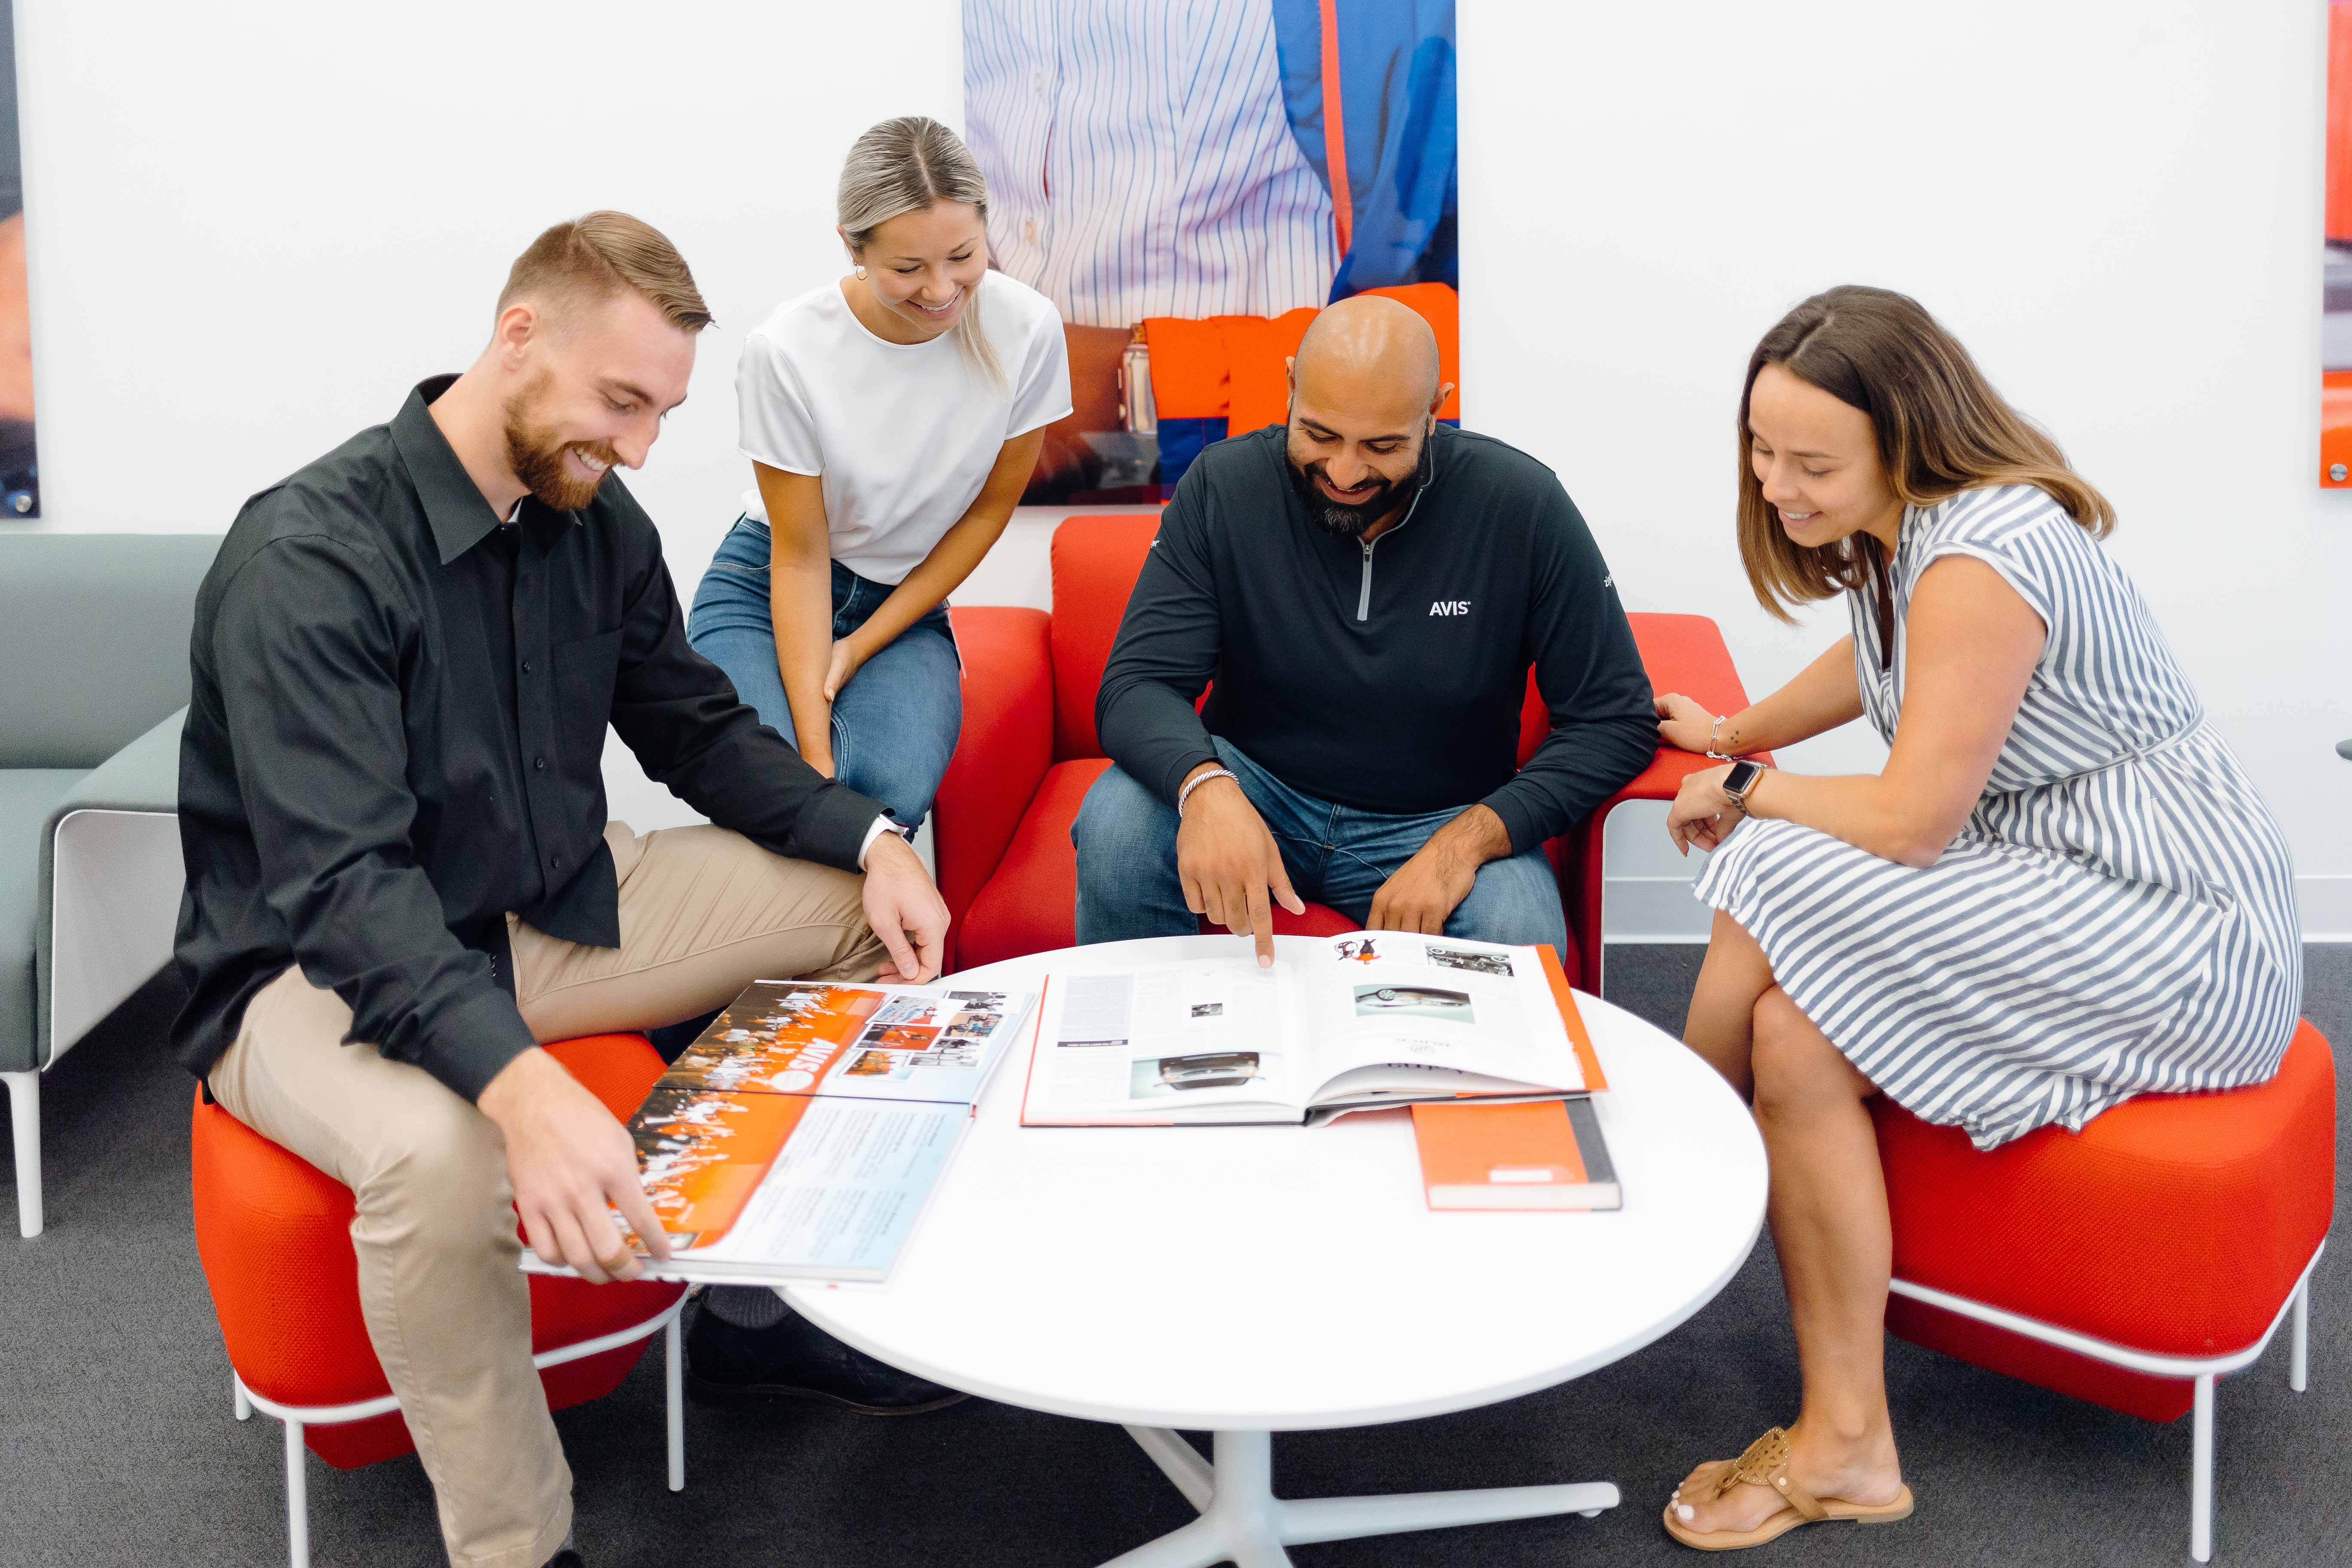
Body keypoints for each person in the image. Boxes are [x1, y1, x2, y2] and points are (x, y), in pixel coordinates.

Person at [172, 212, 954, 1568]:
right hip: (314, 962)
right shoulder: (310, 556)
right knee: (438, 1152)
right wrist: (520, 1084)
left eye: (662, 411)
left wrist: (876, 839)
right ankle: (518, 1547)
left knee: (854, 912)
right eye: (623, 403)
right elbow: (346, 883)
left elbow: (696, 732)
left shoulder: (594, 518)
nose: (644, 446)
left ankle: (757, 1325)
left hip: (546, 908)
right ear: (517, 337)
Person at [1651, 286, 2300, 1551]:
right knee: (1794, 1036)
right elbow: (1880, 661)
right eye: (1760, 450)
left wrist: (1743, 788)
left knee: (1773, 862)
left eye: (1812, 463)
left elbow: (1908, 824)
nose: (1778, 486)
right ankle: (1849, 1445)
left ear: (1905, 437)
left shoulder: (1989, 549)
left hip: (2178, 922)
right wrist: (1736, 732)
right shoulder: (1910, 533)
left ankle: (1675, 1147)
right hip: (2054, 879)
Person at [1072, 294, 1655, 961]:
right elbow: (1138, 684)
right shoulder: (1223, 487)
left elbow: (1615, 719)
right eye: (1320, 435)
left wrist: (1463, 845)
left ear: (1436, 411)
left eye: (1382, 446)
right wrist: (1206, 787)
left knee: (1517, 933)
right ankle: (1138, 1051)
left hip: (1442, 816)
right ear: (1291, 383)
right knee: (1117, 822)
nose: (1345, 473)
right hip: (1255, 787)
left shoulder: (1522, 505)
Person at [687, 115, 1070, 835]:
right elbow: (798, 555)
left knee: (889, 789)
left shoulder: (1030, 330)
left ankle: (870, 946)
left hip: (906, 602)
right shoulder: (788, 350)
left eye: (962, 255)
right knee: (777, 787)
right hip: (771, 580)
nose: (941, 290)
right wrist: (814, 771)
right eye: (907, 269)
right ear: (853, 247)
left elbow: (987, 515)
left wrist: (861, 642)